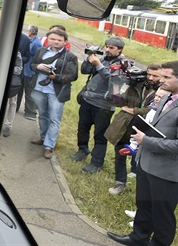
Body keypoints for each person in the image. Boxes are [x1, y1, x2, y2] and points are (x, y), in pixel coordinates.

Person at [107, 61, 178, 246]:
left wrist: (146, 141)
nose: (160, 81)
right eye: (160, 76)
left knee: (162, 214)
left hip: (168, 171)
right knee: (144, 206)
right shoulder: (165, 98)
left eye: (166, 77)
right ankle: (138, 238)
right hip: (147, 164)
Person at [103, 64, 162, 195]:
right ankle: (120, 183)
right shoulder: (136, 84)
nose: (151, 78)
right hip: (126, 124)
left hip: (147, 127)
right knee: (120, 152)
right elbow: (119, 103)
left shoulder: (164, 91)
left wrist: (133, 110)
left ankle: (137, 177)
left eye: (155, 76)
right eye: (149, 74)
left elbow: (153, 110)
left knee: (141, 157)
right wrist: (116, 87)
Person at [72, 36, 126, 174]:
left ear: (119, 50)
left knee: (100, 135)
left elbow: (113, 82)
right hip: (88, 100)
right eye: (106, 46)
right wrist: (89, 57)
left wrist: (98, 65)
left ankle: (96, 163)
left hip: (104, 106)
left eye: (111, 48)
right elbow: (84, 71)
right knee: (82, 128)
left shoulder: (123, 65)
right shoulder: (101, 59)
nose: (107, 50)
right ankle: (82, 149)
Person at [29, 29, 79, 159]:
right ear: (47, 39)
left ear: (65, 41)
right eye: (53, 39)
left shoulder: (70, 56)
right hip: (39, 89)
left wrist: (55, 77)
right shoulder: (41, 51)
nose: (56, 42)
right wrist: (37, 67)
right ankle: (43, 138)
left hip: (56, 92)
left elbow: (73, 76)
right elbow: (32, 65)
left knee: (54, 119)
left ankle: (49, 146)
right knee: (42, 115)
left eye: (59, 40)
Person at [22, 25, 41, 120]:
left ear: (30, 32)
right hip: (26, 70)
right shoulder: (33, 41)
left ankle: (31, 112)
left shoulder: (36, 43)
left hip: (30, 71)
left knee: (29, 92)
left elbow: (36, 57)